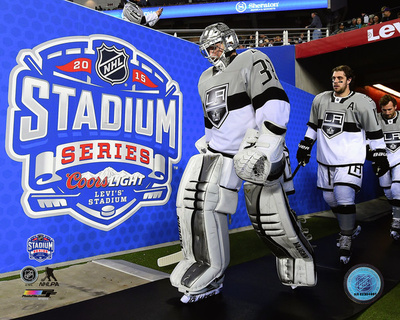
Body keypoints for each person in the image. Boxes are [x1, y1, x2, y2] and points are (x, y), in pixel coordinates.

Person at [170, 22, 316, 303]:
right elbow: (214, 119)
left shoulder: (252, 59)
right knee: (194, 202)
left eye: (216, 46)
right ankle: (207, 268)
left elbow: (273, 99)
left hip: (253, 149)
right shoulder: (205, 78)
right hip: (221, 153)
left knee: (270, 218)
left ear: (229, 40)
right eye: (208, 50)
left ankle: (299, 262)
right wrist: (208, 143)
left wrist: (270, 140)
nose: (214, 53)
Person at [296, 65, 389, 264]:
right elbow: (313, 126)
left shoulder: (363, 103)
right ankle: (351, 227)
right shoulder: (320, 99)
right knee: (330, 198)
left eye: (340, 78)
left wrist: (380, 155)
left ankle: (346, 236)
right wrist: (305, 146)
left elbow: (374, 132)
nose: (335, 81)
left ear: (349, 80)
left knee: (343, 196)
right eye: (333, 78)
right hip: (326, 160)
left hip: (350, 159)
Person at [375, 94, 400, 240]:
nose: (387, 113)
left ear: (395, 107)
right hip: (384, 157)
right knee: (387, 189)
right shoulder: (376, 119)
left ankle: (396, 221)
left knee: (397, 187)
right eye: (384, 110)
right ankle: (396, 211)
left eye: (389, 109)